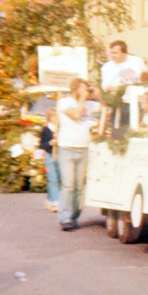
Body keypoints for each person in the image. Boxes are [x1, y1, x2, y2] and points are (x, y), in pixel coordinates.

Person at [56, 78, 93, 231]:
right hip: (67, 148)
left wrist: (98, 92)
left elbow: (105, 107)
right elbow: (76, 115)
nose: (86, 92)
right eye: (83, 89)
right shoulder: (64, 102)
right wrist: (83, 99)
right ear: (75, 90)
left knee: (80, 187)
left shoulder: (89, 104)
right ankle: (64, 218)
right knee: (68, 185)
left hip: (83, 148)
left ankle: (74, 216)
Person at [39, 107, 60, 212]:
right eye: (53, 116)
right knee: (53, 178)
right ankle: (56, 202)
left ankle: (49, 199)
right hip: (50, 155)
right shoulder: (46, 130)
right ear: (50, 118)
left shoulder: (61, 129)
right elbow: (41, 145)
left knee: (59, 178)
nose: (56, 118)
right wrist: (49, 143)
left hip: (60, 155)